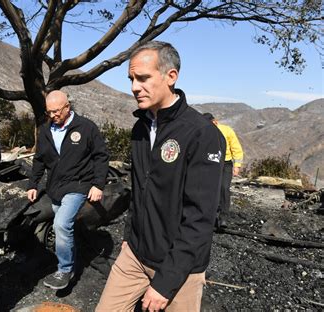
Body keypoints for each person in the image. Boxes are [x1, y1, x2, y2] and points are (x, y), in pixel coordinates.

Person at [96, 41, 225, 312]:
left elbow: (200, 219)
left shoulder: (202, 134)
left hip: (179, 267)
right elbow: (139, 192)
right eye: (131, 79)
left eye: (143, 78)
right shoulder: (140, 129)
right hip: (135, 255)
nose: (134, 87)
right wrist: (129, 236)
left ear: (171, 77)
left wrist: (165, 283)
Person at [27, 90, 109, 290]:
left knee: (61, 224)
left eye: (56, 111)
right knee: (66, 226)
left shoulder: (86, 127)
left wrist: (98, 184)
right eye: (49, 112)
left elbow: (101, 156)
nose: (53, 115)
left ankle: (64, 269)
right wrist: (33, 184)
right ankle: (77, 255)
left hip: (78, 184)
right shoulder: (46, 131)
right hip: (55, 187)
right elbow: (39, 160)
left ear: (67, 107)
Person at [203, 112, 244, 228]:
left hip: (225, 164)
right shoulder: (203, 131)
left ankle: (223, 218)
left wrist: (237, 166)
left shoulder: (227, 131)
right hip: (210, 163)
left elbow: (236, 149)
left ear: (215, 122)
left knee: (224, 188)